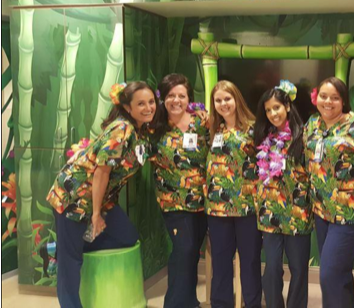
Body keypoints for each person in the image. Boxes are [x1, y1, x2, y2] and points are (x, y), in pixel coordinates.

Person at [46, 81, 157, 308]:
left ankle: (58, 249)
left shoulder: (140, 130)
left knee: (127, 236)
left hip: (101, 197)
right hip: (74, 197)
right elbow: (101, 172)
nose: (148, 108)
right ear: (128, 108)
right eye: (141, 104)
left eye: (151, 102)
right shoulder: (121, 130)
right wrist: (96, 214)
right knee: (72, 263)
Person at [304, 77, 354, 307]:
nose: (328, 102)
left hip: (351, 212)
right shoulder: (312, 124)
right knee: (339, 275)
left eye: (335, 97)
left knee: (329, 274)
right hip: (322, 211)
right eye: (324, 96)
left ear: (343, 100)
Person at [149, 74, 209, 308]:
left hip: (202, 200)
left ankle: (189, 301)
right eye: (171, 95)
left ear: (189, 99)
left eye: (181, 95)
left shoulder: (201, 122)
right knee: (183, 249)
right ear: (162, 98)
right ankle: (174, 304)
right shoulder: (154, 126)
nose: (176, 100)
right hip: (172, 201)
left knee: (193, 252)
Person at [254, 80, 313, 308]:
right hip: (270, 214)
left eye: (276, 107)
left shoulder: (305, 136)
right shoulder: (264, 137)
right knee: (271, 268)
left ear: (287, 106)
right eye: (268, 110)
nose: (272, 113)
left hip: (298, 213)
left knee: (298, 269)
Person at [205, 80, 262, 308]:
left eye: (227, 99)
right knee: (220, 262)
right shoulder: (212, 129)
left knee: (249, 262)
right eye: (218, 100)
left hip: (247, 207)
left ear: (236, 99)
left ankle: (253, 303)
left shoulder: (254, 129)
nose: (223, 104)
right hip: (217, 209)